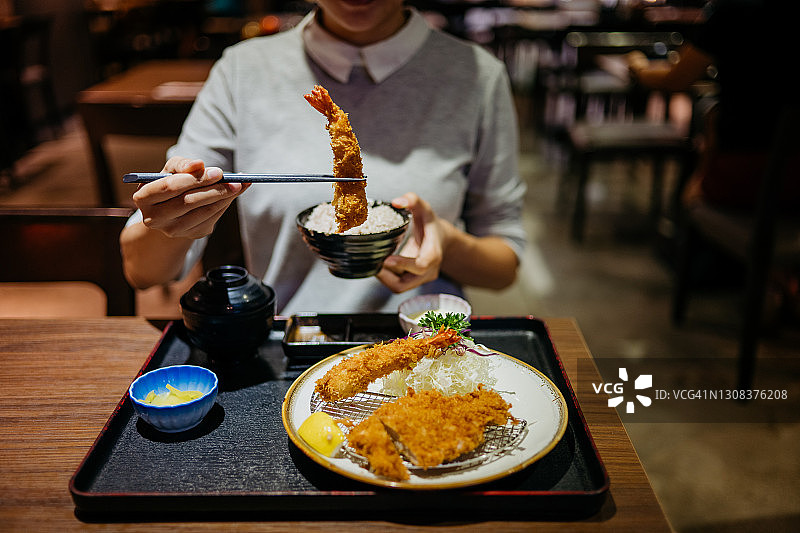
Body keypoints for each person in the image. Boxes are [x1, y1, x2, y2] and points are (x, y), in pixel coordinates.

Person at [120, 0, 527, 314]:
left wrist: (444, 239)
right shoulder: (242, 69)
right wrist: (169, 216)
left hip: (422, 339)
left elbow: (504, 264)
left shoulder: (477, 75)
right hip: (286, 344)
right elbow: (143, 271)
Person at [627, 0, 799, 210]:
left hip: (743, 179)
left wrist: (639, 67)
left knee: (690, 190)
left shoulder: (733, 12)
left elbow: (676, 80)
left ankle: (686, 228)